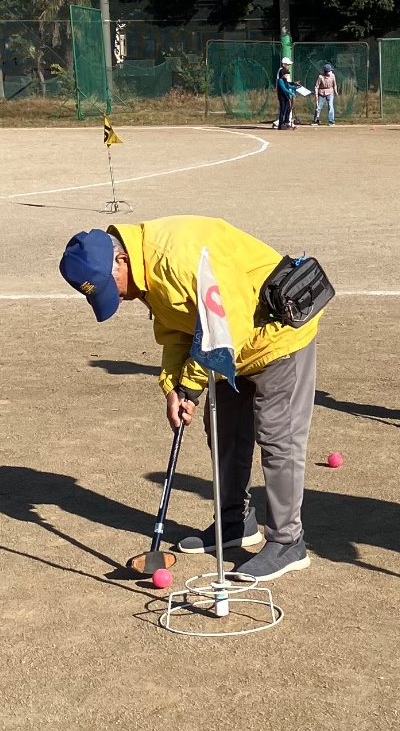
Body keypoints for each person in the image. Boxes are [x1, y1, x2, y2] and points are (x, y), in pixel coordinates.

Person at [59, 217, 325, 580]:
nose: (116, 297)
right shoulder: (144, 269)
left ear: (120, 261)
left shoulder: (175, 258)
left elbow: (229, 324)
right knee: (223, 430)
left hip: (277, 335)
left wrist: (192, 383)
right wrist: (174, 385)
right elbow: (175, 327)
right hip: (232, 348)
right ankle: (235, 523)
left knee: (278, 436)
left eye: (110, 287)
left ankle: (287, 541)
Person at [276, 57, 299, 130]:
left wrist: (295, 87)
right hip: (282, 96)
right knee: (282, 110)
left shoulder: (285, 80)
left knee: (288, 109)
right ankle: (281, 124)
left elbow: (288, 85)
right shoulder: (280, 80)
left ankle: (286, 123)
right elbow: (284, 89)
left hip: (286, 96)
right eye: (286, 74)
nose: (287, 75)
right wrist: (291, 93)